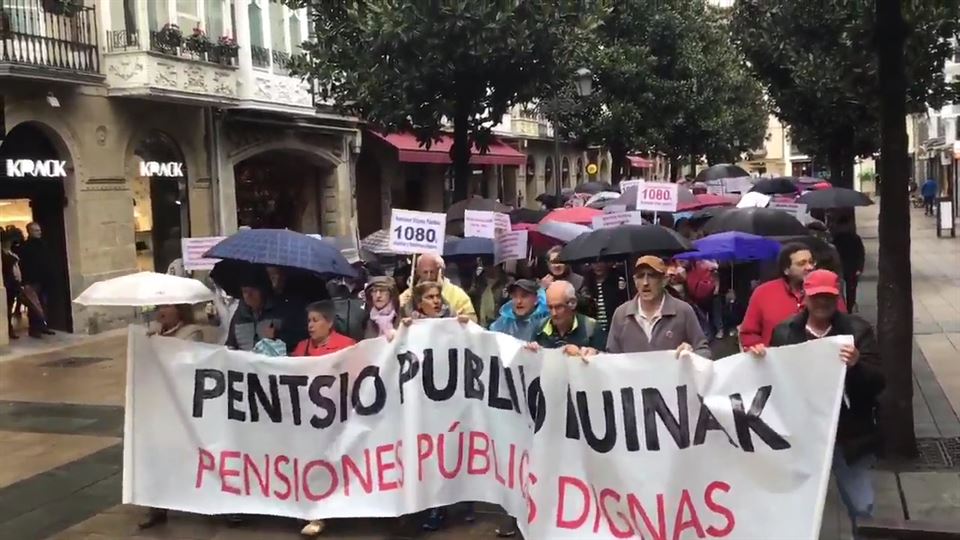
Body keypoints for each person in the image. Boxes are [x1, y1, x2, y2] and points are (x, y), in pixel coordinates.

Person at [765, 270, 884, 535]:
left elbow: (878, 381)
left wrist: (857, 365)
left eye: (828, 296)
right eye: (817, 296)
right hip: (803, 438)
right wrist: (760, 359)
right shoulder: (785, 333)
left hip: (849, 436)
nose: (822, 303)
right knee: (796, 509)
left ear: (838, 297)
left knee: (863, 505)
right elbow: (774, 381)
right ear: (804, 296)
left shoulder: (858, 330)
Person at [400, 281, 472, 531]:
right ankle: (432, 504)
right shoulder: (410, 326)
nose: (436, 300)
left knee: (452, 448)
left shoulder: (456, 322)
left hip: (451, 396)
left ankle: (458, 502)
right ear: (419, 303)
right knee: (430, 453)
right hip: (423, 397)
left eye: (438, 296)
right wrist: (401, 332)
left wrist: (466, 328)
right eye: (430, 297)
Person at [290, 301, 357, 537]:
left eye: (316, 320)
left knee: (331, 464)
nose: (311, 325)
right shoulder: (301, 347)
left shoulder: (347, 346)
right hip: (308, 419)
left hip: (338, 418)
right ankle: (316, 512)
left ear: (329, 323)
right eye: (309, 320)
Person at [139, 303, 206, 529]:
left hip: (183, 404)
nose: (162, 311)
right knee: (157, 453)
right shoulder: (154, 333)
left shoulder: (191, 332)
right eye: (160, 307)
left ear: (179, 310)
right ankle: (156, 506)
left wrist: (161, 345)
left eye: (167, 306)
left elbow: (189, 360)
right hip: (159, 403)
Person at [740, 243, 847, 353]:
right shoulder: (763, 292)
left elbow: (845, 326)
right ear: (786, 270)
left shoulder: (827, 290)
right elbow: (748, 333)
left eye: (811, 262)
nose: (809, 267)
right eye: (802, 263)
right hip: (776, 362)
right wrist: (756, 347)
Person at [605, 256, 711, 358]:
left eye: (652, 276)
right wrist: (594, 356)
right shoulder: (621, 314)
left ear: (664, 280)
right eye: (640, 276)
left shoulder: (683, 311)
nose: (645, 283)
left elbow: (704, 351)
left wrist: (692, 354)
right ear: (635, 281)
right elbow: (611, 359)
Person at [225, 273, 306, 353]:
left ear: (263, 290)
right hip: (243, 364)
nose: (249, 295)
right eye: (245, 291)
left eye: (253, 290)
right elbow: (230, 344)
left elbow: (299, 341)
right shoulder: (239, 316)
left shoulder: (281, 313)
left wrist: (279, 336)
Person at [531, 281, 606, 354]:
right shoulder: (540, 329)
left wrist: (585, 354)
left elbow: (603, 362)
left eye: (558, 307)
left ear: (572, 303)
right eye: (550, 307)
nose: (554, 313)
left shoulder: (591, 328)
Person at [398, 253, 477, 322]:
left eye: (432, 272)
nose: (429, 276)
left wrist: (463, 320)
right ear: (418, 272)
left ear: (439, 271)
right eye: (425, 272)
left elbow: (472, 321)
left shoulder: (457, 294)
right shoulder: (408, 295)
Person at [16, 222, 55, 338]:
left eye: (39, 230)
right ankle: (34, 329)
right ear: (30, 232)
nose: (39, 232)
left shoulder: (43, 244)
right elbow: (24, 265)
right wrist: (25, 281)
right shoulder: (25, 247)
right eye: (36, 230)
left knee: (44, 304)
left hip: (44, 279)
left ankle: (43, 326)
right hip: (32, 280)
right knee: (33, 305)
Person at [490, 279, 550, 343]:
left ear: (536, 299)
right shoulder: (502, 323)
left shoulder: (546, 320)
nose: (519, 301)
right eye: (515, 296)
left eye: (524, 296)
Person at [582, 261, 629, 333]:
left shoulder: (616, 280)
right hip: (594, 331)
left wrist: (622, 291)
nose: (598, 266)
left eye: (601, 262)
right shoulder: (587, 283)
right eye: (594, 262)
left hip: (614, 329)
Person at [831, 217, 866, 312]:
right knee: (850, 289)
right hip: (849, 267)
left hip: (844, 267)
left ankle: (848, 307)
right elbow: (861, 253)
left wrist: (859, 267)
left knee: (847, 289)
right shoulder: (852, 238)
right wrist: (860, 267)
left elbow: (860, 253)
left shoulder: (837, 239)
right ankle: (848, 307)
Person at [1, 232, 22, 339]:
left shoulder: (11, 253)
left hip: (13, 284)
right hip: (8, 283)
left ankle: (9, 329)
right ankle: (8, 329)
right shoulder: (4, 255)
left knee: (10, 307)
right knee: (7, 309)